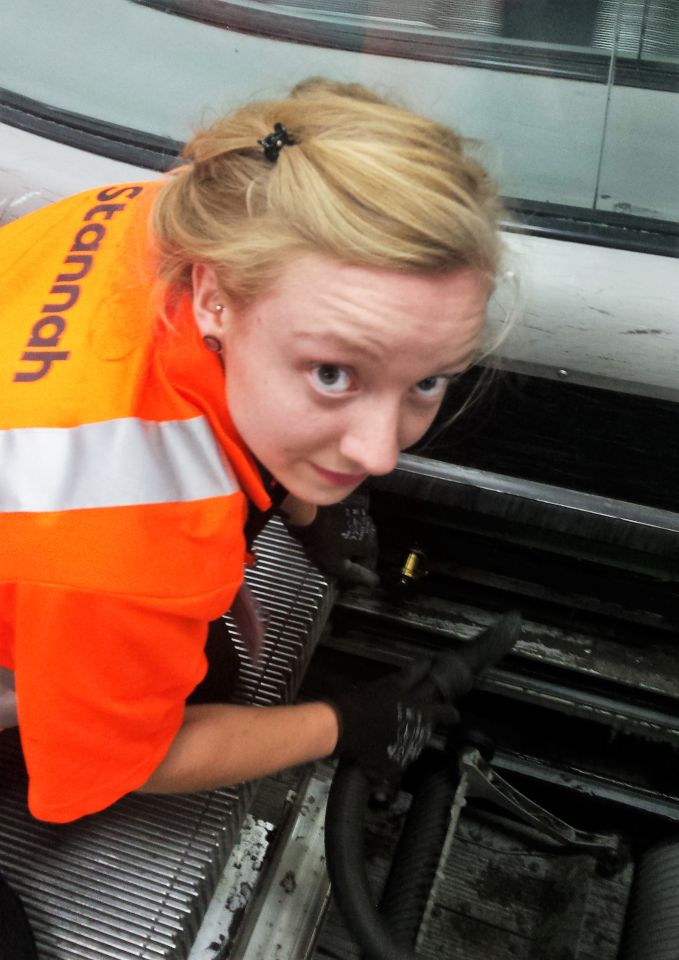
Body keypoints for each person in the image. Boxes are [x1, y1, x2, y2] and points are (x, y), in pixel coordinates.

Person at [0, 78, 506, 824]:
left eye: (428, 382)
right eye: (332, 373)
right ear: (214, 299)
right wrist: (345, 722)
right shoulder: (116, 541)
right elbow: (124, 766)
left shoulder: (206, 211)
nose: (379, 455)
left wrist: (301, 513)